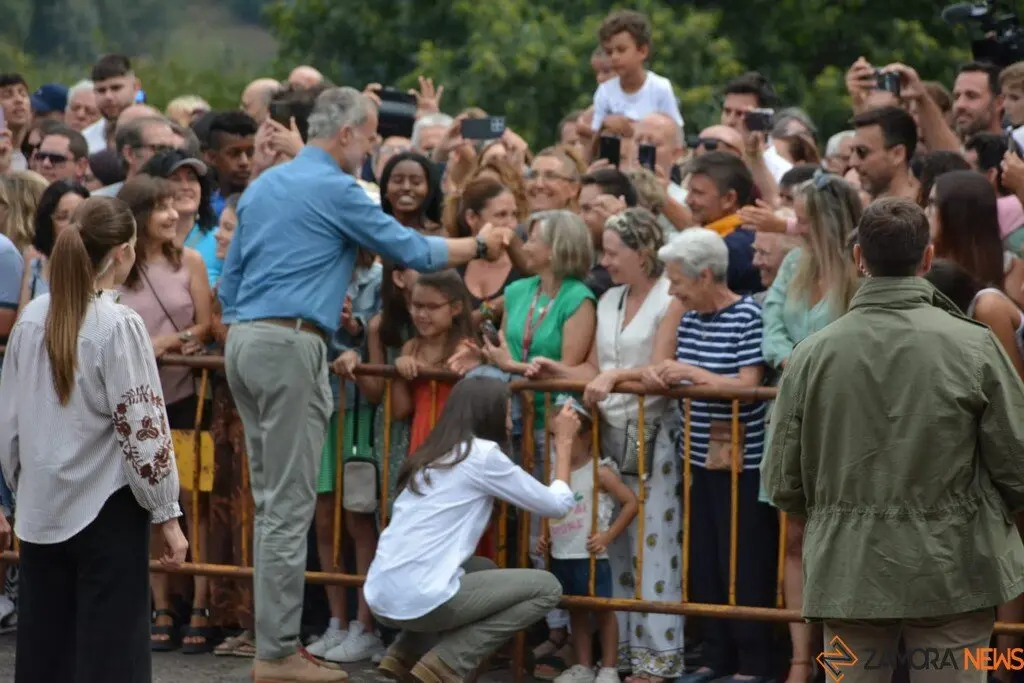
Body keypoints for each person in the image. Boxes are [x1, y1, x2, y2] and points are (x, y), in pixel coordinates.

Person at [217, 86, 512, 683]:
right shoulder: (333, 188)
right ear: (347, 134)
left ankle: (275, 648)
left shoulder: (267, 183)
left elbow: (233, 278)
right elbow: (408, 247)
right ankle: (275, 656)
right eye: (372, 135)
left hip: (245, 341)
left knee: (272, 502)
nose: (374, 146)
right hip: (290, 343)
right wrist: (481, 244)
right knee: (287, 507)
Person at [763, 198, 1024, 683]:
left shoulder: (810, 355)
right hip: (954, 567)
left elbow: (783, 480)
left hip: (847, 570)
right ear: (927, 259)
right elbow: (1018, 463)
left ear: (859, 257)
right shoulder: (973, 345)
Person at [0, 196, 189, 682]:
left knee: (46, 653)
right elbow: (143, 426)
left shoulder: (31, 318)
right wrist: (167, 513)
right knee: (112, 657)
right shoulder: (117, 325)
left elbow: (9, 424)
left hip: (42, 507)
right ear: (124, 251)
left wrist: (19, 486)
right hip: (106, 507)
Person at [365, 377, 578, 683]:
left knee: (483, 568)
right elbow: (557, 504)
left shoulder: (435, 452)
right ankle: (447, 663)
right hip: (418, 600)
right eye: (506, 413)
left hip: (381, 597)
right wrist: (564, 443)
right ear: (488, 415)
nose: (510, 422)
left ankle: (404, 654)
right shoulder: (481, 455)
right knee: (546, 588)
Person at [537, 398, 638, 683]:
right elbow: (549, 506)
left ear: (584, 436)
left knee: (604, 611)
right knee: (576, 612)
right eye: (554, 436)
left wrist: (608, 535)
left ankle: (608, 667)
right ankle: (583, 666)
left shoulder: (600, 471)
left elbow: (630, 503)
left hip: (590, 555)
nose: (557, 443)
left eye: (561, 436)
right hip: (562, 554)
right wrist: (544, 536)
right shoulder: (556, 474)